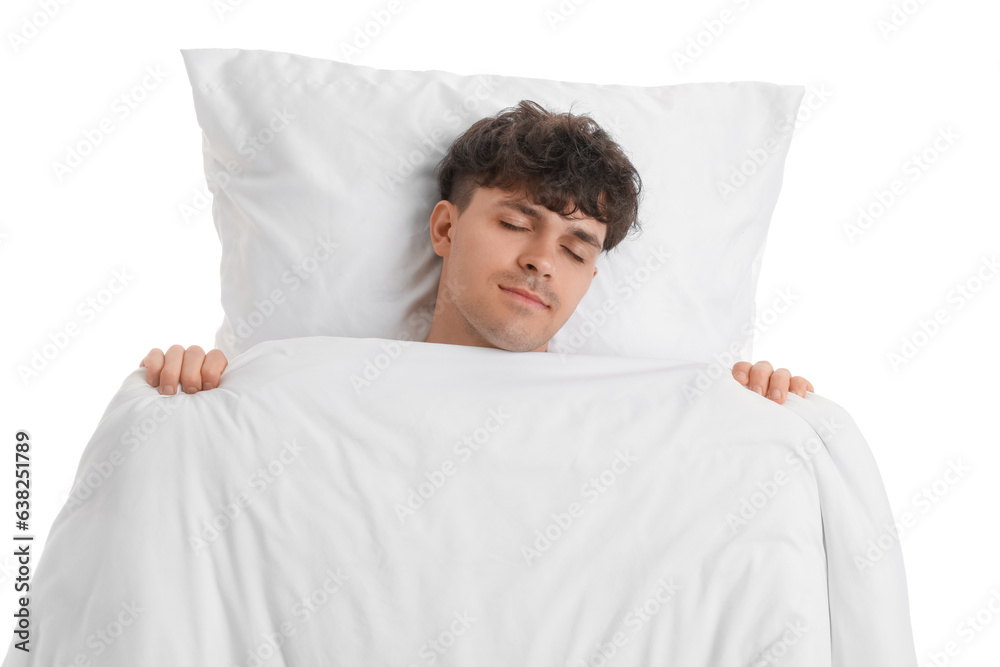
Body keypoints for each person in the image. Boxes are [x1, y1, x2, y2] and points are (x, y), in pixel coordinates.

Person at [141, 100, 814, 404]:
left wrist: (751, 419)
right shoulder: (323, 394)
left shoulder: (639, 416)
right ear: (444, 229)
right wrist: (191, 395)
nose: (543, 260)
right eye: (518, 222)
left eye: (578, 248)